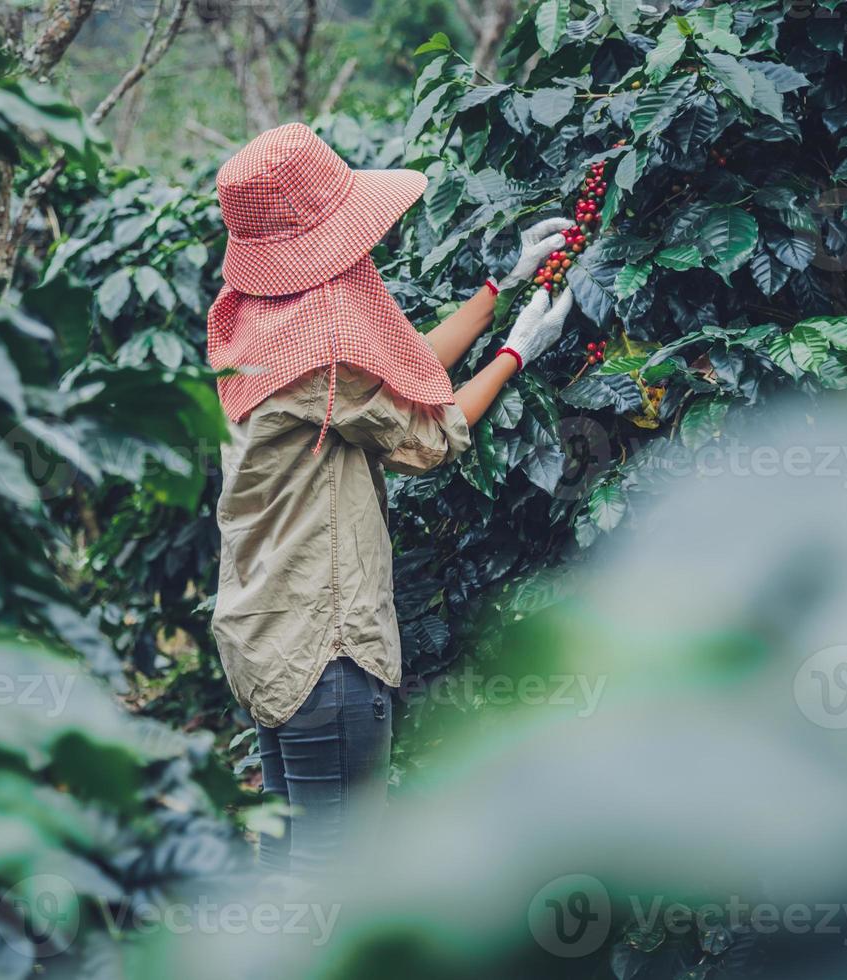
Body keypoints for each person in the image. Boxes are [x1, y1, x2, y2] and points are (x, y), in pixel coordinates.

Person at [206, 123, 575, 874]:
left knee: (291, 882)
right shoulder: (323, 358)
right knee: (336, 893)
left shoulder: (261, 324)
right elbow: (427, 435)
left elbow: (398, 374)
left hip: (266, 640)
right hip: (324, 654)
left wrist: (498, 290)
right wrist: (518, 351)